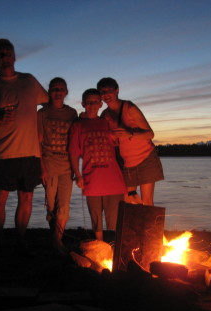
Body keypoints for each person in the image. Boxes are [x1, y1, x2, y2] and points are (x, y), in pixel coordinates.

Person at [0, 39, 48, 255]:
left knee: (26, 197)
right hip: (2, 152)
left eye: (7, 53)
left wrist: (42, 131)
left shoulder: (29, 81)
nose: (4, 57)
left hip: (30, 152)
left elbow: (47, 104)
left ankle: (21, 239)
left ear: (14, 56)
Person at [69, 89, 127, 241]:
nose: (92, 105)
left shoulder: (106, 122)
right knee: (96, 216)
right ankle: (100, 244)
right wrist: (77, 175)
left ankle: (114, 246)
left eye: (95, 102)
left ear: (100, 104)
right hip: (91, 177)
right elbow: (74, 152)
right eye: (89, 102)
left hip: (113, 178)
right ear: (83, 104)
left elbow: (119, 142)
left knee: (114, 217)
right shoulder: (78, 125)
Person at [97, 77, 164, 206]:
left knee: (147, 201)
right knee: (128, 199)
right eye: (102, 92)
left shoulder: (129, 108)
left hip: (146, 157)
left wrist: (130, 133)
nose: (106, 95)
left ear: (116, 91)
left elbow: (150, 134)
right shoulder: (105, 115)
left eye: (109, 91)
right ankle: (134, 226)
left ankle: (149, 226)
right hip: (126, 163)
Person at [38, 77, 78, 255]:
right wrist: (42, 168)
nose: (58, 92)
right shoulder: (42, 113)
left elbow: (75, 143)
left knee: (64, 205)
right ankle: (55, 240)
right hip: (49, 164)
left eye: (61, 89)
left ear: (66, 92)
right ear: (50, 92)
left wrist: (76, 168)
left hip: (67, 166)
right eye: (54, 89)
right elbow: (37, 143)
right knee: (51, 206)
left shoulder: (72, 113)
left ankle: (57, 242)